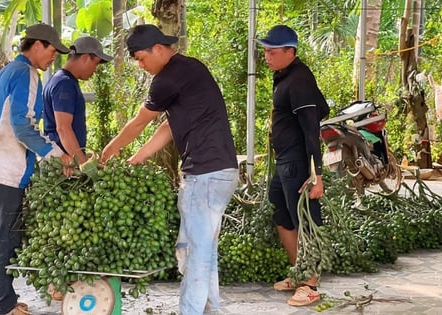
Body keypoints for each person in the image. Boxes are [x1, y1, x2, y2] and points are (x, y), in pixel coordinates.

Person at [100, 24, 239, 315]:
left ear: (159, 49)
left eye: (140, 58)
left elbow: (140, 121)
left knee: (194, 252)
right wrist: (137, 157)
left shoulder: (168, 78)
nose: (140, 65)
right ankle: (211, 309)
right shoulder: (189, 70)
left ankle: (191, 310)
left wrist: (111, 149)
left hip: (204, 175)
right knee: (205, 249)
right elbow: (169, 126)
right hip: (221, 171)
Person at [0, 23, 71, 315]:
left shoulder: (4, 72)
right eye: (53, 50)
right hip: (3, 170)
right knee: (6, 238)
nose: (54, 57)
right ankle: (5, 306)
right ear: (38, 45)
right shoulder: (27, 73)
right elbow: (22, 125)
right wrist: (56, 155)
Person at [256, 25, 327, 307]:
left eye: (272, 51)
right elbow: (323, 107)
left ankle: (310, 285)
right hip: (284, 159)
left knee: (306, 218)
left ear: (290, 52)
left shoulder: (299, 80)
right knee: (280, 212)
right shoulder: (283, 75)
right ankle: (299, 271)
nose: (266, 56)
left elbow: (312, 129)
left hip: (299, 162)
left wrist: (317, 175)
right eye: (265, 50)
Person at [42, 36, 113, 165]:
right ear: (85, 57)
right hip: (64, 165)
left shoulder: (60, 79)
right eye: (96, 63)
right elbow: (63, 129)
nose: (95, 69)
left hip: (63, 160)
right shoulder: (65, 84)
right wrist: (84, 164)